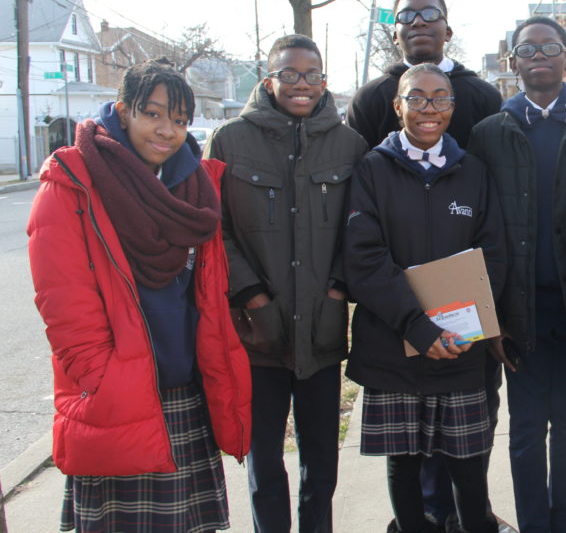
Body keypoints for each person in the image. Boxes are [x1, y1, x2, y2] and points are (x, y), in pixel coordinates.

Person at [27, 58, 251, 532]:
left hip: (185, 390)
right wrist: (107, 382)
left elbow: (205, 295)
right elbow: (63, 307)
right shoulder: (74, 182)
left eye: (180, 119)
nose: (167, 130)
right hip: (119, 394)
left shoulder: (195, 187)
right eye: (152, 114)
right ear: (123, 109)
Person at [205, 34, 367, 532]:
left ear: (324, 81)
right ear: (268, 78)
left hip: (321, 333)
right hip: (258, 335)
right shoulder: (230, 140)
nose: (302, 85)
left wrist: (338, 289)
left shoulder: (349, 145)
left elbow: (361, 227)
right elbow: (216, 229)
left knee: (321, 461)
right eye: (290, 74)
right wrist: (250, 293)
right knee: (265, 463)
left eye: (312, 75)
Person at [344, 64, 507, 533]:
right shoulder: (371, 169)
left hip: (459, 348)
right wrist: (417, 326)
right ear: (398, 107)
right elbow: (364, 259)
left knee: (467, 467)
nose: (428, 109)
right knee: (404, 466)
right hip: (393, 346)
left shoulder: (473, 172)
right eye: (416, 98)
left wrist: (457, 328)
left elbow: (491, 254)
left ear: (453, 108)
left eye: (440, 98)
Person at [468, 17, 566, 533]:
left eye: (551, 47)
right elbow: (476, 232)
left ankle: (564, 525)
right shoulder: (490, 134)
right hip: (516, 311)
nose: (540, 55)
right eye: (528, 48)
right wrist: (490, 316)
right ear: (514, 62)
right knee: (525, 429)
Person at [347, 0, 502, 148]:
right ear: (395, 37)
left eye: (430, 14)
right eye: (406, 16)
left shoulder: (485, 96)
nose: (418, 22)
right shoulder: (368, 99)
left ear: (448, 33)